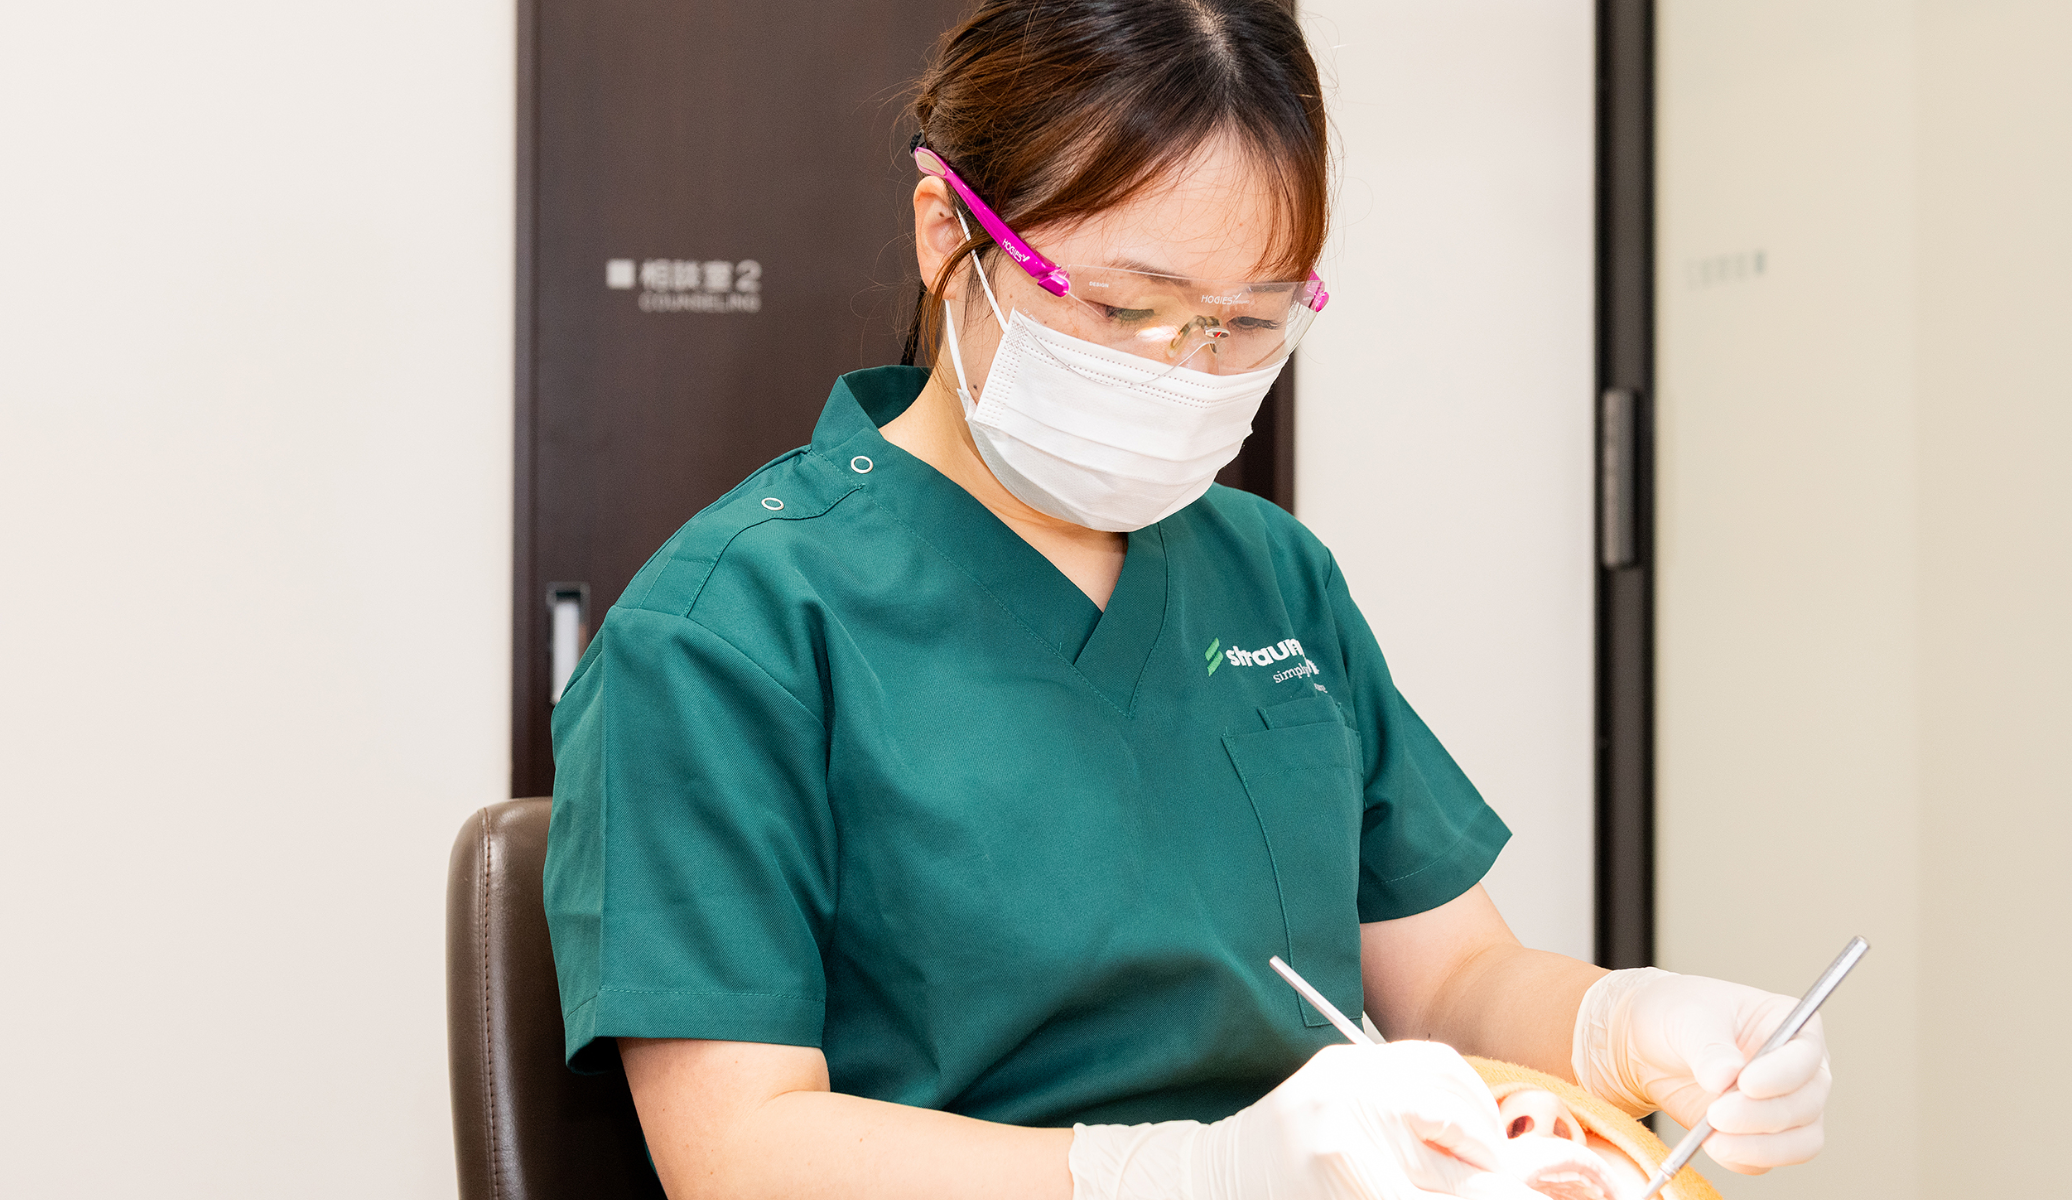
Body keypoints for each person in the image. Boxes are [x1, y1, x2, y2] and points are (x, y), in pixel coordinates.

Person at [542, 2, 1832, 1198]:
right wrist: (1185, 1174)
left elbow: (1453, 980)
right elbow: (739, 1151)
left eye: (1248, 323)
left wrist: (1627, 1028)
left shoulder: (1268, 573)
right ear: (949, 234)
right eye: (1127, 308)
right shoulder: (727, 629)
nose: (1185, 368)